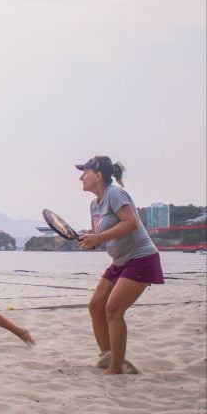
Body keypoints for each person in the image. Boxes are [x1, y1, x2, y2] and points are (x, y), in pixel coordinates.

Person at [76, 156, 164, 375]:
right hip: (120, 261)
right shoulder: (94, 204)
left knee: (113, 309)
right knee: (96, 305)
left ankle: (116, 367)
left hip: (141, 258)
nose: (80, 177)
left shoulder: (115, 194)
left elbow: (131, 223)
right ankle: (107, 357)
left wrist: (97, 238)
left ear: (97, 176)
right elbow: (100, 236)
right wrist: (90, 240)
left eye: (84, 172)